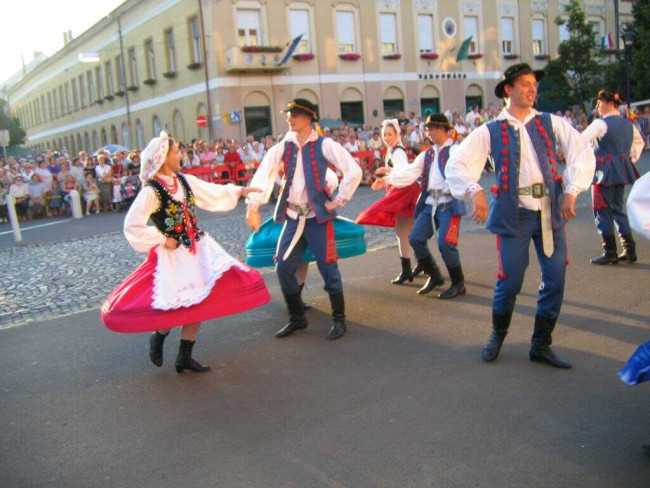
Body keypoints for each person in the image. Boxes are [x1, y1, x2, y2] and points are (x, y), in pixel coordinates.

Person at [446, 63, 595, 369]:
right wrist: (475, 190)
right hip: (514, 215)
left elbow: (581, 150)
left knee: (555, 279)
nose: (531, 89)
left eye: (533, 84)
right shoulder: (491, 130)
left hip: (549, 212)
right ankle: (498, 334)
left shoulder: (551, 122)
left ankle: (541, 344)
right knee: (510, 280)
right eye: (525, 84)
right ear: (508, 90)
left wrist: (571, 190)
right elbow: (457, 164)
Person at [101, 132, 270, 373]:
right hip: (172, 255)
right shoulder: (152, 191)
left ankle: (184, 356)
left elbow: (211, 191)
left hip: (198, 248)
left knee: (198, 300)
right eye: (176, 151)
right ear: (163, 157)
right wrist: (162, 238)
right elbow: (132, 225)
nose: (181, 155)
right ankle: (158, 335)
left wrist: (240, 192)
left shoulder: (183, 181)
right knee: (175, 303)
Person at [246, 98, 362, 340]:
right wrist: (253, 206)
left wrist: (338, 200)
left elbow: (354, 171)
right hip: (292, 216)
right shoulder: (283, 147)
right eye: (289, 113)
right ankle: (297, 318)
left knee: (328, 268)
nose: (290, 118)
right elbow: (264, 174)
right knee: (283, 266)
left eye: (295, 114)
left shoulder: (324, 144)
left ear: (309, 118)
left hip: (317, 217)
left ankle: (339, 320)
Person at [374, 114, 466, 298]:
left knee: (445, 244)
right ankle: (434, 275)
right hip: (430, 202)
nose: (430, 132)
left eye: (433, 128)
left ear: (446, 131)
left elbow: (467, 171)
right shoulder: (428, 154)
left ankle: (458, 283)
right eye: (429, 128)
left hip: (448, 203)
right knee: (415, 238)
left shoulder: (456, 151)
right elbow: (409, 173)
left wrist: (475, 192)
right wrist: (387, 179)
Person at [581, 90, 645, 265]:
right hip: (621, 170)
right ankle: (630, 250)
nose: (597, 107)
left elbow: (581, 140)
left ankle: (610, 252)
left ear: (609, 104)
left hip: (603, 172)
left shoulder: (601, 124)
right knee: (617, 208)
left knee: (601, 209)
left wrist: (587, 160)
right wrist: (627, 158)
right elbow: (639, 143)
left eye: (599, 103)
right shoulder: (628, 124)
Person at [356, 119, 421, 285]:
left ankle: (415, 267)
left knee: (404, 233)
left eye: (390, 134)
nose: (387, 138)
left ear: (397, 134)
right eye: (385, 134)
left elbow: (403, 174)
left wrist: (385, 177)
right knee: (407, 233)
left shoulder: (397, 151)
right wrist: (387, 172)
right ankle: (419, 264)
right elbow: (400, 172)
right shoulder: (393, 150)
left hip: (404, 192)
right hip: (403, 191)